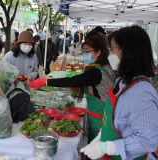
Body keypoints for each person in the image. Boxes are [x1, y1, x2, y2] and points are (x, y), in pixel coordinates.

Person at [80, 26, 158, 160]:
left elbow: (148, 140)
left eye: (113, 49)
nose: (110, 54)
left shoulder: (142, 92)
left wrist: (107, 147)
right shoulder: (122, 81)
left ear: (129, 52)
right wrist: (101, 136)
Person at [28, 31, 115, 143]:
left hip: (101, 116)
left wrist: (45, 82)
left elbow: (72, 80)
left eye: (87, 52)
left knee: (97, 147)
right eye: (84, 52)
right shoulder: (105, 65)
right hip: (104, 112)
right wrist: (81, 86)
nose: (85, 55)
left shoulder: (96, 71)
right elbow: (92, 84)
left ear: (98, 52)